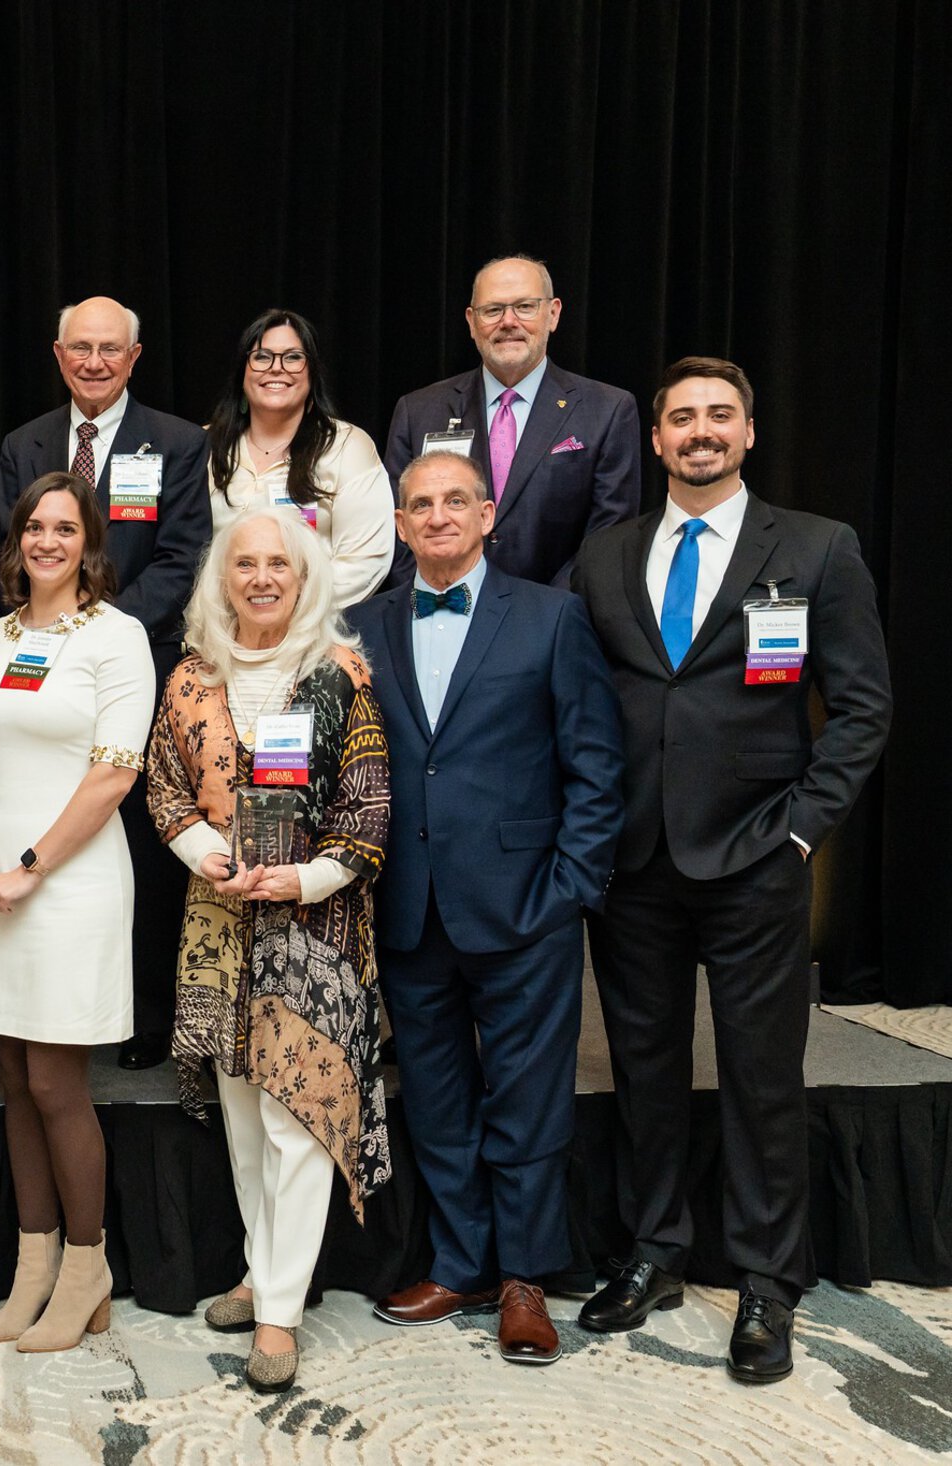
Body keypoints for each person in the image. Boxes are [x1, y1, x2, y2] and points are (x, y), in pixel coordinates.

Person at [570, 358, 891, 1384]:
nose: (699, 431)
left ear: (748, 430)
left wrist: (801, 831)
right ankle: (655, 1246)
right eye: (680, 417)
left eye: (719, 414)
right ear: (656, 439)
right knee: (645, 1071)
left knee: (761, 1079)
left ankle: (765, 1280)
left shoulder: (814, 547)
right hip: (634, 861)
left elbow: (862, 706)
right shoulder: (605, 555)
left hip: (757, 856)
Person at [347, 452, 624, 1365]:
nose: (436, 517)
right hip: (411, 908)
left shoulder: (552, 617)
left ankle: (524, 1278)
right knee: (435, 1100)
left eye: (454, 501)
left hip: (526, 909)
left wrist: (571, 887)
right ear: (397, 524)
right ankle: (460, 1261)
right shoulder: (366, 627)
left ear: (489, 513)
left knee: (529, 1102)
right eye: (419, 505)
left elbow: (595, 766)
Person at [146, 505, 392, 1395]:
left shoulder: (339, 675)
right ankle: (260, 1273)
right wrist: (204, 855)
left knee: (295, 1127)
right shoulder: (191, 679)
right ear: (223, 578)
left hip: (311, 933)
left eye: (277, 565)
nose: (260, 578)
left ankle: (280, 1314)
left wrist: (304, 880)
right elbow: (165, 790)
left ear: (304, 578)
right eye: (244, 563)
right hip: (216, 930)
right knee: (245, 1123)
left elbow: (369, 815)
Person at [0, 471, 155, 1352]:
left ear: (89, 543)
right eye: (33, 526)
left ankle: (86, 1265)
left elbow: (115, 773)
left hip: (69, 884)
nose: (45, 541)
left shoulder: (118, 637)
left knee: (54, 1082)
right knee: (10, 1078)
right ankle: (33, 1268)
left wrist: (31, 867)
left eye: (64, 528)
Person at [0, 296, 211, 1069]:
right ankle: (34, 1008)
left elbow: (185, 557)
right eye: (79, 348)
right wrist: (56, 626)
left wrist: (97, 625)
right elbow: (15, 549)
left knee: (142, 837)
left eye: (109, 349)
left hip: (137, 659)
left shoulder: (179, 443)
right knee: (48, 816)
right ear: (58, 355)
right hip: (39, 664)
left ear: (133, 357)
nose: (94, 361)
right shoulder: (25, 444)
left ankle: (146, 1011)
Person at [381, 255, 641, 588]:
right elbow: (399, 530)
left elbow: (606, 539)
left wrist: (544, 615)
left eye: (525, 307)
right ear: (472, 322)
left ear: (553, 313)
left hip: (556, 621)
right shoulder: (417, 411)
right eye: (493, 310)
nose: (508, 322)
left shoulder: (607, 410)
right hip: (441, 612)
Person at [206, 309, 393, 607]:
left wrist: (280, 608)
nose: (276, 368)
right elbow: (183, 554)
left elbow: (365, 563)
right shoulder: (203, 447)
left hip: (316, 633)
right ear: (242, 372)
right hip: (217, 631)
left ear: (312, 372)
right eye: (262, 356)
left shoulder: (348, 447)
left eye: (293, 357)